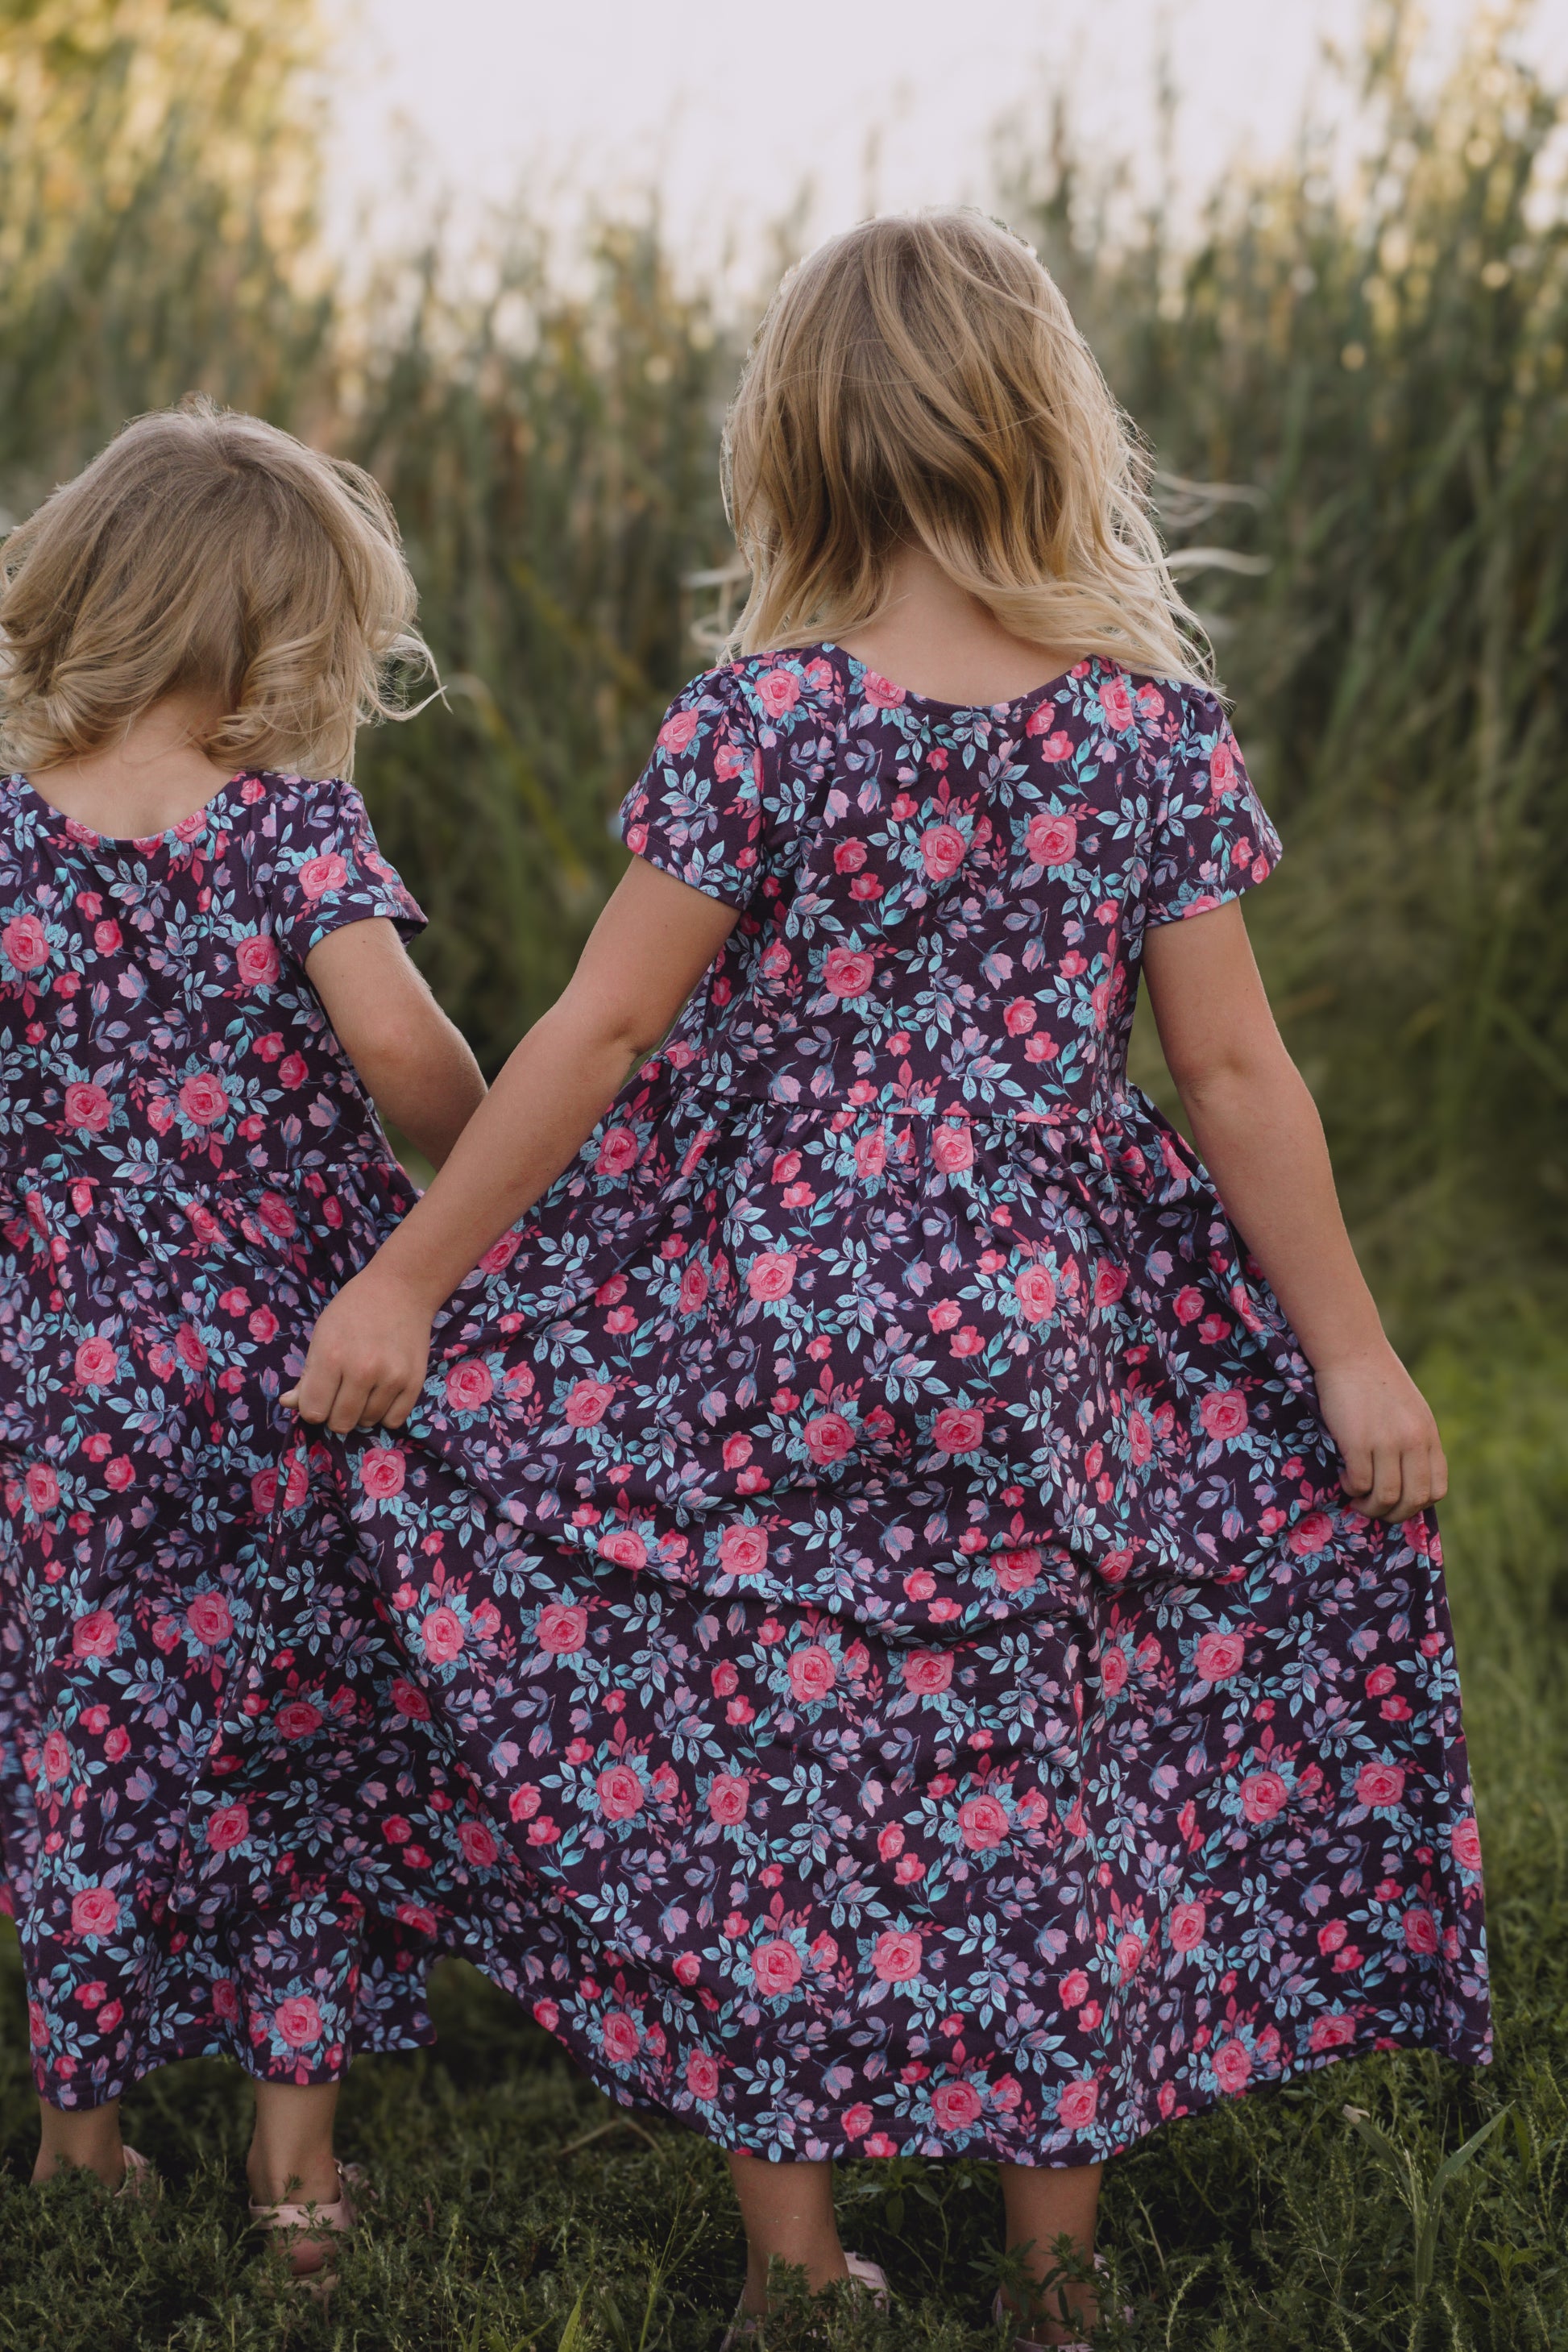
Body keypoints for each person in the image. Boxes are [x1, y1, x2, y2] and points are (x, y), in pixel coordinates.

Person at [287, 212, 1491, 2350]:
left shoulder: (763, 719)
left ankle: (794, 2269)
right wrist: (1353, 1350)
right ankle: (1057, 2277)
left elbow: (598, 1035)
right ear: (1047, 430)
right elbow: (1229, 1071)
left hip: (773, 1317)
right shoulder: (1145, 735)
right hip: (1046, 1335)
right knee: (1050, 1755)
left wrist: (407, 1284)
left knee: (764, 1750)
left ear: (802, 445)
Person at [0, 400, 485, 2285]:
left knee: (87, 1738)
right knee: (301, 1748)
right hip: (297, 1382)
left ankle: (82, 2145)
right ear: (287, 633)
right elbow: (416, 1073)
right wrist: (512, 1184)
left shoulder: (12, 850)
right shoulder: (290, 824)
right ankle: (295, 2182)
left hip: (67, 1392)